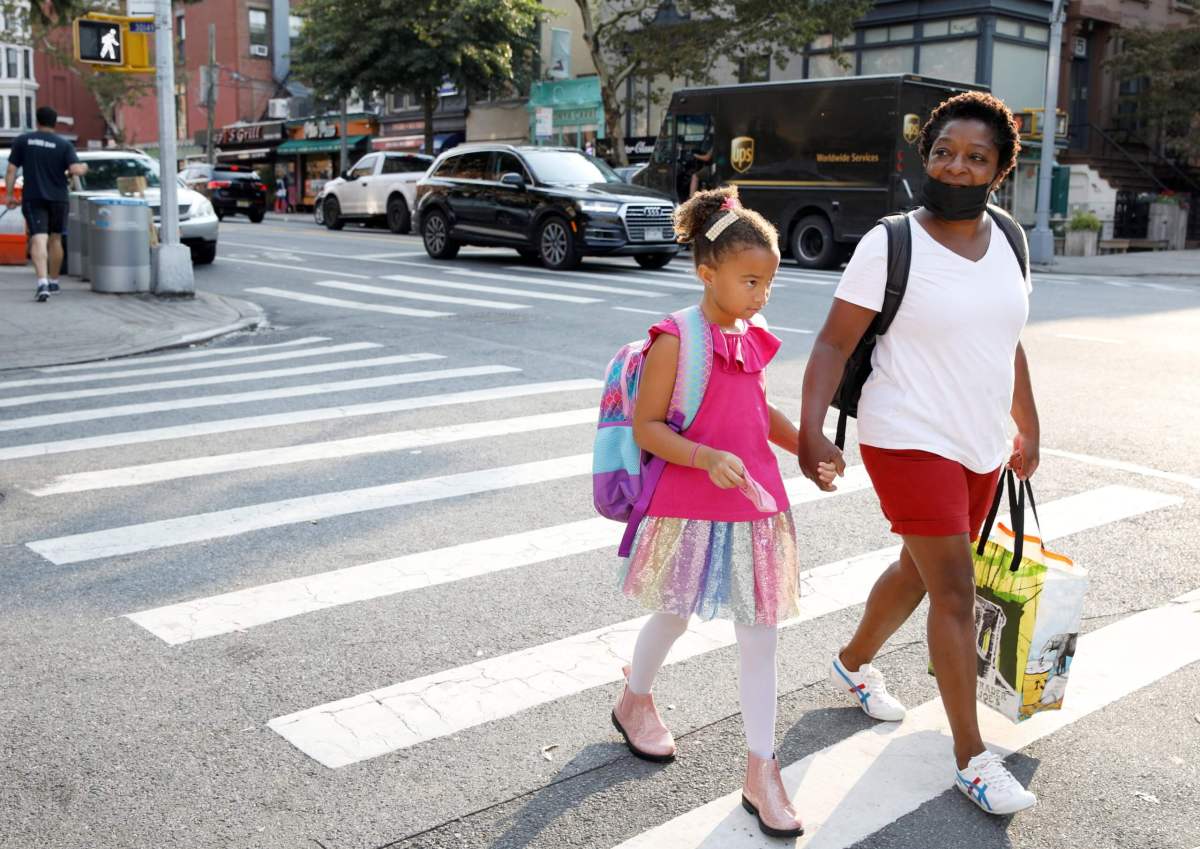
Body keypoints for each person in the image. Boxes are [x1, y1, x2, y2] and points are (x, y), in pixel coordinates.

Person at [796, 91, 1041, 816]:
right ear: (922, 155)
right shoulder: (890, 241)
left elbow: (1008, 339)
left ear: (1000, 169)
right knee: (955, 590)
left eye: (975, 158)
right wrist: (811, 430)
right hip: (906, 435)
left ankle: (852, 662)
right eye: (944, 153)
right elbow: (834, 342)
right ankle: (971, 757)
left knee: (918, 568)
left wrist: (1026, 422)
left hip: (978, 441)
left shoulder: (1012, 241)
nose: (956, 168)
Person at [611, 185, 836, 838]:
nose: (760, 295)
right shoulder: (677, 338)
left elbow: (757, 413)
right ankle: (634, 698)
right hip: (690, 505)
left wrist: (807, 445)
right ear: (705, 271)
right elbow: (648, 426)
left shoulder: (752, 332)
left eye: (768, 283)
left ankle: (761, 770)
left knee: (759, 637)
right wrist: (704, 457)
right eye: (748, 280)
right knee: (675, 614)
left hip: (756, 507)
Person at [5, 106, 88, 302]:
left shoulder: (23, 141)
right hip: (58, 197)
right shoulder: (63, 144)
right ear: (55, 122)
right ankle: (54, 280)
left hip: (33, 197)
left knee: (38, 238)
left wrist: (9, 195)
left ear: (37, 121)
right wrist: (84, 167)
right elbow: (75, 169)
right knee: (56, 239)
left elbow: (11, 170)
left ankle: (42, 282)